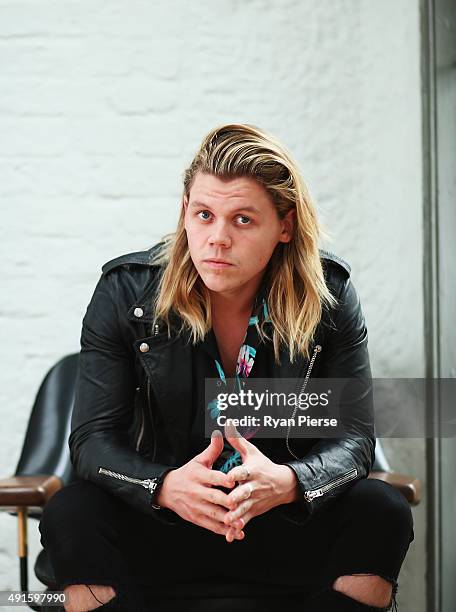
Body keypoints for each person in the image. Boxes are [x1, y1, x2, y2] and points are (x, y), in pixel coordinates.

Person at [39, 123, 414, 611]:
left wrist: (290, 483)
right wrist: (165, 487)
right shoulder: (125, 293)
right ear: (185, 214)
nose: (217, 239)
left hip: (281, 524)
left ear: (285, 225)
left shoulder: (330, 296)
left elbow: (355, 437)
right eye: (204, 214)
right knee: (72, 512)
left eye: (242, 220)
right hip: (166, 527)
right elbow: (91, 442)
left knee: (381, 510)